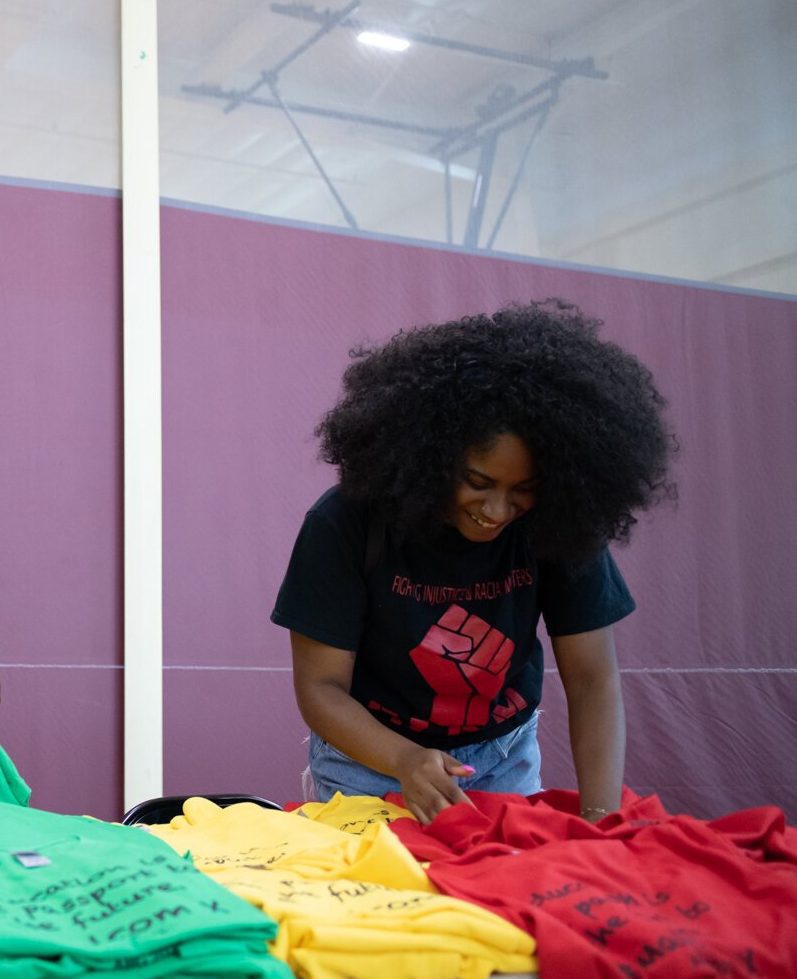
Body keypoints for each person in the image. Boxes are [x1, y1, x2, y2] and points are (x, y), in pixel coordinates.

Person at [271, 300, 674, 826]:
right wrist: (405, 760)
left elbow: (593, 679)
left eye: (522, 490)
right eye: (479, 483)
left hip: (503, 760)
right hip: (368, 763)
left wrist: (603, 820)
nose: (497, 511)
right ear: (429, 455)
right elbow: (321, 689)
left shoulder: (557, 523)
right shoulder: (344, 524)